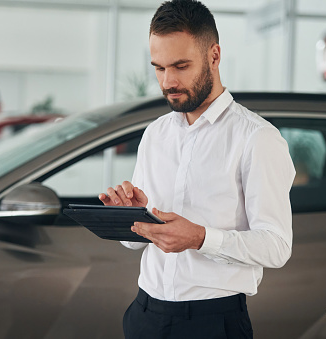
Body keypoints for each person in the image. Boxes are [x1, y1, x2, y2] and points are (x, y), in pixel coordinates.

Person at [98, 1, 296, 338]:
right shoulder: (155, 134)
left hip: (212, 322)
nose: (168, 81)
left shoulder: (257, 138)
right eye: (159, 68)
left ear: (214, 56)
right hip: (145, 314)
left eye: (180, 66)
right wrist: (132, 218)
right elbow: (136, 244)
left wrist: (201, 238)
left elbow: (277, 247)